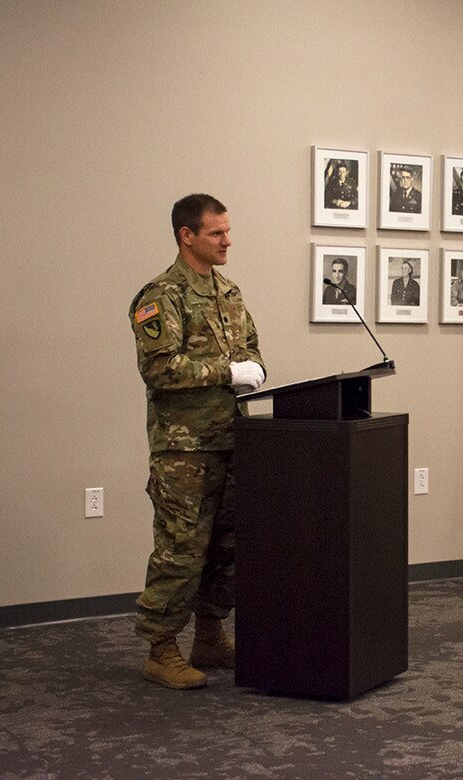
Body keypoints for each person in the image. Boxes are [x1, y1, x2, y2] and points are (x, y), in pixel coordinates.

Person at [129, 193, 266, 690]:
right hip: (184, 451)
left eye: (228, 230)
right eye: (216, 233)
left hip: (232, 439)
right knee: (181, 550)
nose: (228, 240)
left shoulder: (228, 293)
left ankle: (209, 635)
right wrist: (227, 370)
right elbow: (160, 369)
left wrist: (251, 368)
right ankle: (161, 649)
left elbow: (250, 347)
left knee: (227, 547)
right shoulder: (160, 297)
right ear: (187, 235)